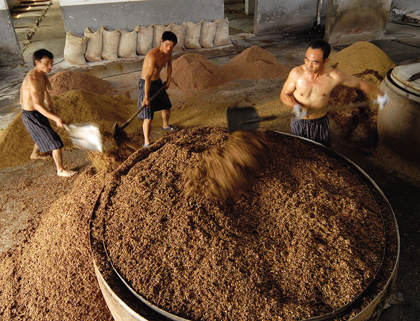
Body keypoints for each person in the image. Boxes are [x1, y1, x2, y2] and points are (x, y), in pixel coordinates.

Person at [280, 39, 388, 147]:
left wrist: (380, 93)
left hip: (319, 123)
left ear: (326, 61)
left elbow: (359, 83)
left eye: (315, 62)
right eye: (307, 59)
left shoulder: (334, 76)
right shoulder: (296, 73)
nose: (309, 65)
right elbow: (284, 94)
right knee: (298, 149)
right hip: (298, 121)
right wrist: (296, 106)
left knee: (322, 151)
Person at [20, 49, 77, 177]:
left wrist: (52, 111)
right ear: (37, 63)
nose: (50, 66)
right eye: (46, 63)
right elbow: (36, 105)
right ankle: (61, 170)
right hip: (31, 116)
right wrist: (55, 118)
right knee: (55, 143)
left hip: (38, 112)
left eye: (52, 63)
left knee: (44, 132)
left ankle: (35, 154)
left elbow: (45, 94)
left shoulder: (42, 76)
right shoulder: (33, 79)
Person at [138, 31, 178, 148]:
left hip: (157, 82)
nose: (169, 48)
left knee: (166, 105)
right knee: (148, 116)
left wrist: (169, 80)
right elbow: (148, 77)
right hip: (146, 84)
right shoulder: (152, 56)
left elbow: (169, 65)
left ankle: (165, 125)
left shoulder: (168, 52)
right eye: (167, 45)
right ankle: (146, 142)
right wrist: (146, 97)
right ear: (161, 41)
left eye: (172, 46)